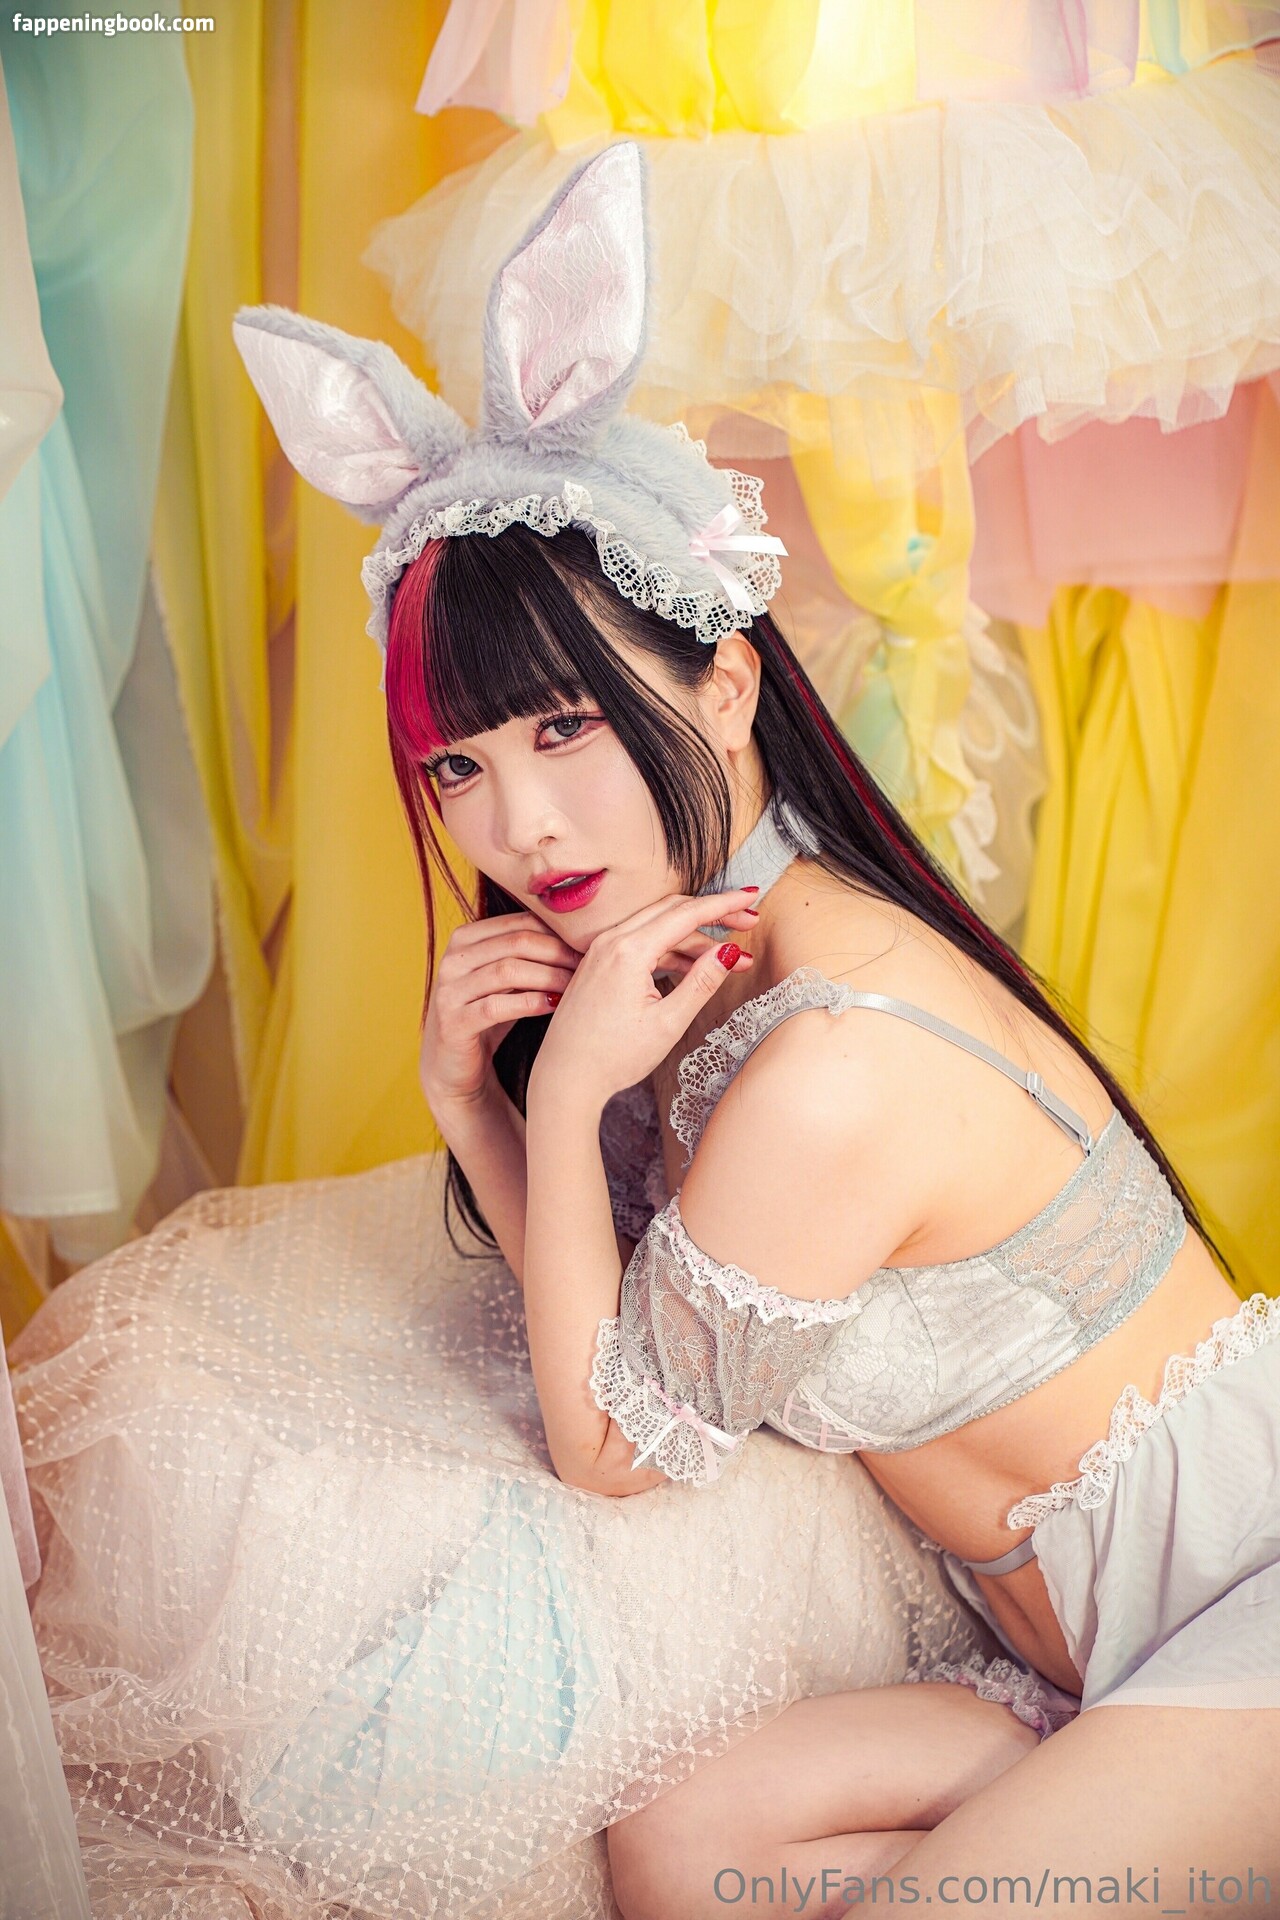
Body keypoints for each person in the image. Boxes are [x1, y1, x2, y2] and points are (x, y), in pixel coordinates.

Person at [13, 141, 1278, 1920]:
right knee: (677, 1850)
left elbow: (612, 1451)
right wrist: (481, 1102)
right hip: (1080, 1663)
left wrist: (562, 1092)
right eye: (459, 766)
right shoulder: (712, 964)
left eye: (565, 729)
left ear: (728, 681)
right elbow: (620, 1339)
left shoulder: (831, 1053)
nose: (521, 826)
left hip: (1241, 1623)